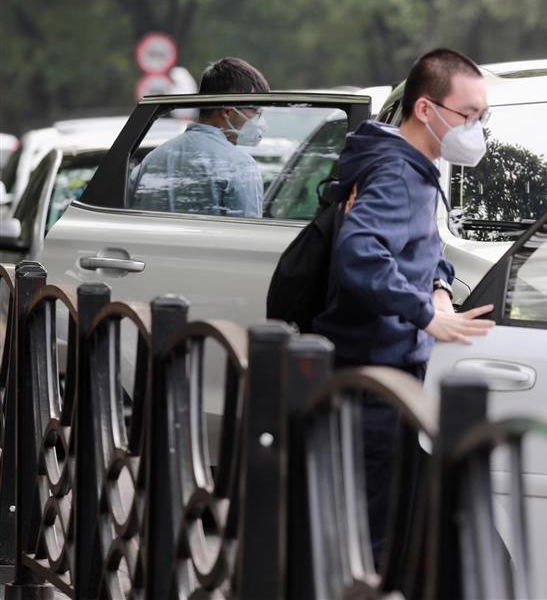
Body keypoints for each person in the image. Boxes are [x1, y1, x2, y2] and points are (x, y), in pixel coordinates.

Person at [312, 48, 495, 558]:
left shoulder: (410, 165)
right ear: (425, 110)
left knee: (376, 522)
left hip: (379, 368)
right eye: (468, 115)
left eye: (482, 116)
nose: (475, 128)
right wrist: (425, 313)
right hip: (377, 371)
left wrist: (438, 284)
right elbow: (361, 257)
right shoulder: (398, 174)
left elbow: (420, 247)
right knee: (371, 532)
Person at [129, 57, 269, 217]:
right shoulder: (240, 166)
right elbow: (247, 234)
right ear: (227, 112)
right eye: (254, 111)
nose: (258, 120)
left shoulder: (151, 160)